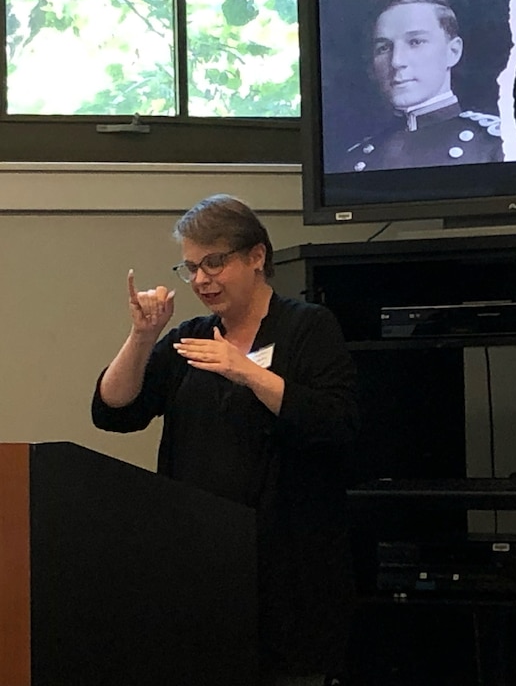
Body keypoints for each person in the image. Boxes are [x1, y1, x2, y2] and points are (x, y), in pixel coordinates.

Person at [91, 194, 360, 686]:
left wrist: (249, 373)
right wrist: (143, 337)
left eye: (214, 262)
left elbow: (333, 422)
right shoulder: (193, 336)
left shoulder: (306, 327)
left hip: (287, 569)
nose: (200, 280)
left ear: (256, 256)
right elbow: (114, 411)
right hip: (202, 566)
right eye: (191, 267)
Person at [340, 0, 505, 172]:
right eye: (384, 48)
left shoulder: (497, 145)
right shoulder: (357, 160)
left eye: (415, 42)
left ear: (453, 52)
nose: (396, 61)